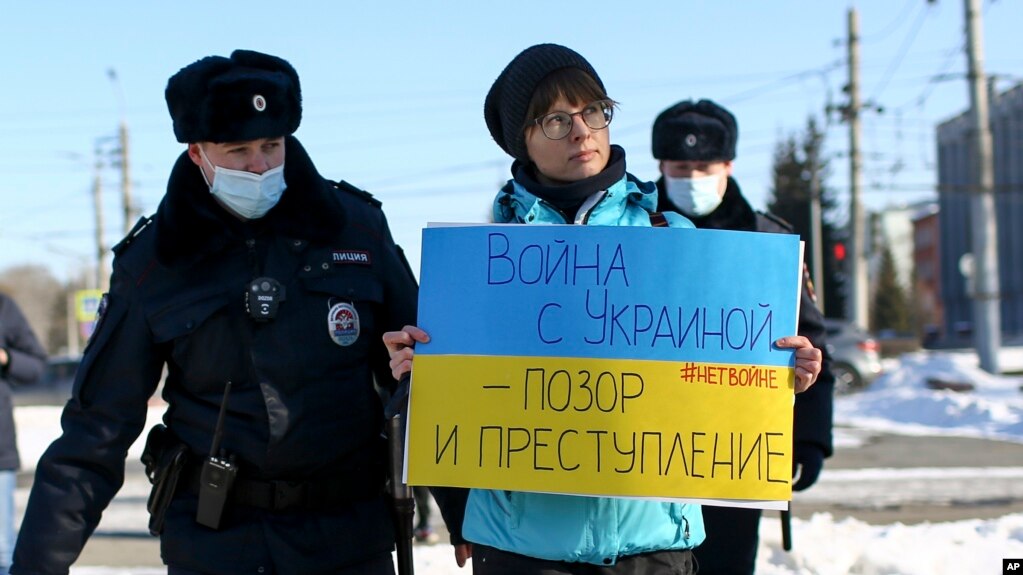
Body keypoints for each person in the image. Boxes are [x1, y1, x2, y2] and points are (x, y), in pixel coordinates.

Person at [383, 44, 824, 575]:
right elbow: (454, 415)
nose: (582, 131)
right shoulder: (482, 263)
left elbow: (709, 389)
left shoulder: (676, 239)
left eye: (593, 110)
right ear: (519, 140)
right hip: (522, 550)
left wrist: (779, 377)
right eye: (555, 120)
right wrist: (418, 374)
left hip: (653, 546)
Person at [12, 49, 419, 575]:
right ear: (197, 154)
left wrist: (461, 515)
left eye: (272, 146)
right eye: (238, 150)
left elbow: (430, 374)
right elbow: (97, 431)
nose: (260, 166)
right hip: (217, 543)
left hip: (347, 538)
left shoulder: (356, 231)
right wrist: (37, 565)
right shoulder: (153, 263)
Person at [651, 98, 836, 575]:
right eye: (680, 166)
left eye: (704, 165)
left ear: (728, 164)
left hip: (734, 460)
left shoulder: (769, 241)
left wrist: (810, 439)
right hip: (644, 454)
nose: (692, 177)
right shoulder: (629, 231)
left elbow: (811, 343)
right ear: (662, 166)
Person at [0, 293, 47, 574]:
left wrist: (5, 357)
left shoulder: (3, 307)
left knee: (2, 552)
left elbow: (36, 366)